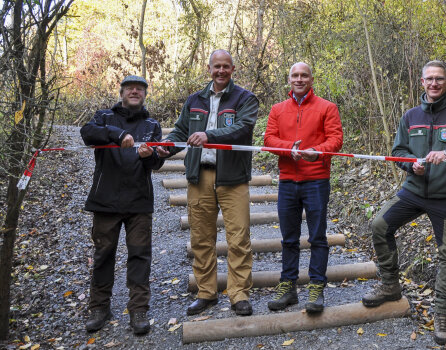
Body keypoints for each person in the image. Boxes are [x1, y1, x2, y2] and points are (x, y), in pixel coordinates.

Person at [361, 60, 446, 345]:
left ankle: (442, 314)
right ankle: (390, 286)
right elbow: (398, 151)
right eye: (429, 79)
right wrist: (409, 166)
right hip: (413, 191)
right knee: (379, 224)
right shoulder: (410, 116)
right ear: (422, 82)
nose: (434, 84)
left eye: (439, 79)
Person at [156, 50, 259, 316]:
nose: (221, 71)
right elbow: (180, 131)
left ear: (233, 69)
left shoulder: (245, 98)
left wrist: (208, 135)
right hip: (199, 176)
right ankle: (206, 292)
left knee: (238, 238)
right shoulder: (194, 100)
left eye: (226, 66)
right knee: (201, 238)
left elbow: (242, 129)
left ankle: (238, 294)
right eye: (217, 67)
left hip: (233, 178)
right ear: (209, 68)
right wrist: (165, 148)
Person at [80, 75, 164, 335]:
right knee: (103, 255)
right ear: (122, 92)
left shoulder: (152, 125)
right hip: (105, 202)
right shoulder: (104, 117)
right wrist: (119, 134)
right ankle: (99, 307)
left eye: (140, 89)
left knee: (140, 256)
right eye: (130, 88)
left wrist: (149, 156)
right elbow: (87, 133)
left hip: (139, 203)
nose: (135, 92)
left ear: (145, 94)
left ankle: (138, 309)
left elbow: (158, 163)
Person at [263, 62, 343, 313]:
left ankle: (317, 288)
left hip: (316, 180)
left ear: (311, 78)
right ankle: (288, 287)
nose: (299, 79)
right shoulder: (277, 109)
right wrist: (290, 149)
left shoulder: (327, 107)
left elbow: (336, 139)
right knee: (289, 238)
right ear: (288, 79)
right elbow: (268, 139)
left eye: (304, 75)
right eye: (295, 75)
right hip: (288, 180)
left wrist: (316, 152)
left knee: (317, 237)